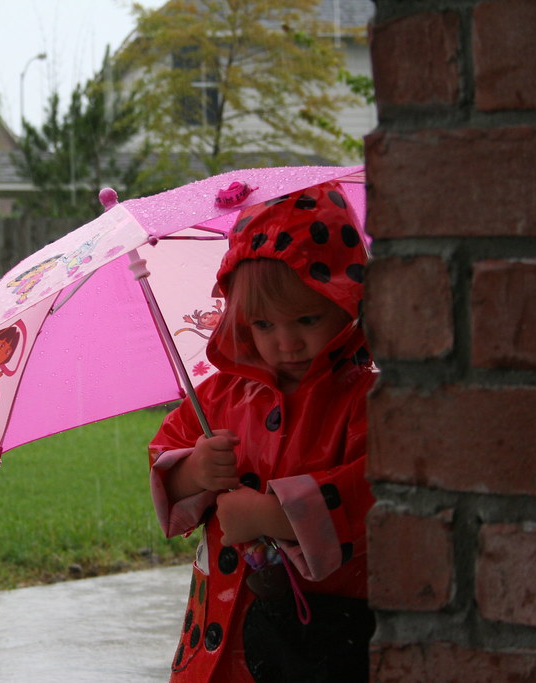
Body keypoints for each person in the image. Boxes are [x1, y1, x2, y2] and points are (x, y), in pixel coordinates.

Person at [149, 180, 377, 682]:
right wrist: (193, 471)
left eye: (307, 319)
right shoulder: (219, 395)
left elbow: (380, 489)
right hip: (217, 634)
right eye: (263, 325)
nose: (286, 342)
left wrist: (276, 515)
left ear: (348, 302)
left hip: (319, 641)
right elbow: (167, 454)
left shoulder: (364, 399)